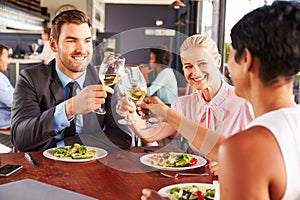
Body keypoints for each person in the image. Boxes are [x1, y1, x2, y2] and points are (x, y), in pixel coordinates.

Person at [141, 1, 300, 199]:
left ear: (247, 60)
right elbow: (217, 145)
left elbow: (227, 150)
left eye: (231, 56)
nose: (229, 67)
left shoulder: (242, 148)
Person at [10, 9, 132, 152]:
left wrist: (66, 145)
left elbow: (123, 136)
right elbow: (20, 138)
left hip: (90, 167)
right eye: (71, 41)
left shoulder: (106, 79)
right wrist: (69, 108)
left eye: (87, 41)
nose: (82, 49)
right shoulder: (31, 79)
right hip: (42, 166)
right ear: (54, 45)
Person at [117, 35, 253, 157]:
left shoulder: (243, 102)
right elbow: (150, 134)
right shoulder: (183, 104)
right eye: (188, 66)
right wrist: (130, 112)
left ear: (217, 61)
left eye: (202, 63)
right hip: (193, 180)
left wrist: (232, 164)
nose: (195, 72)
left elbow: (259, 155)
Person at [0, 43, 14, 129]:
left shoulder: (1, 77)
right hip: (6, 122)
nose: (8, 61)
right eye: (6, 57)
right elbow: (13, 101)